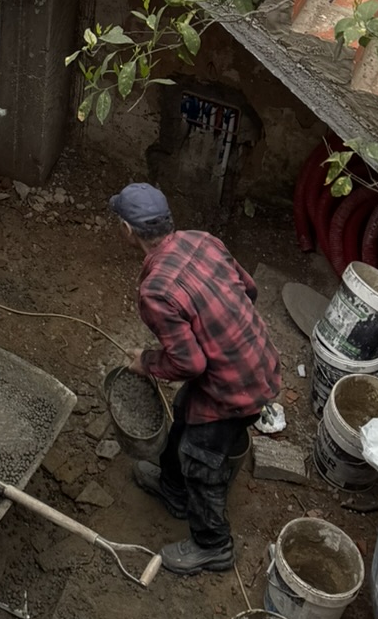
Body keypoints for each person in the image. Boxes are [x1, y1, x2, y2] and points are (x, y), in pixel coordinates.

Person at [110, 181, 281, 575]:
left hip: (235, 388)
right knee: (184, 411)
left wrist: (147, 362)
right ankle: (173, 491)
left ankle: (213, 545)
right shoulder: (203, 240)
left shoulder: (155, 290)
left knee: (200, 461)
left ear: (127, 230)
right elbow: (249, 290)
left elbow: (190, 366)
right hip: (256, 358)